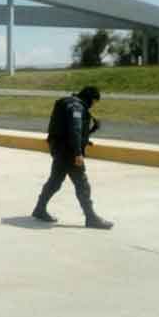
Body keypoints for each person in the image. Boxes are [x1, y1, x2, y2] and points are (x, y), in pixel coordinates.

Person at [32, 86, 113, 229]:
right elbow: (74, 130)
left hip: (59, 149)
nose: (93, 105)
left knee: (55, 181)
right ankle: (91, 217)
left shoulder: (67, 102)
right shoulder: (77, 107)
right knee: (82, 184)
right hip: (69, 152)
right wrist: (78, 153)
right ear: (90, 99)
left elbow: (67, 129)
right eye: (94, 102)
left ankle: (39, 209)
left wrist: (87, 137)